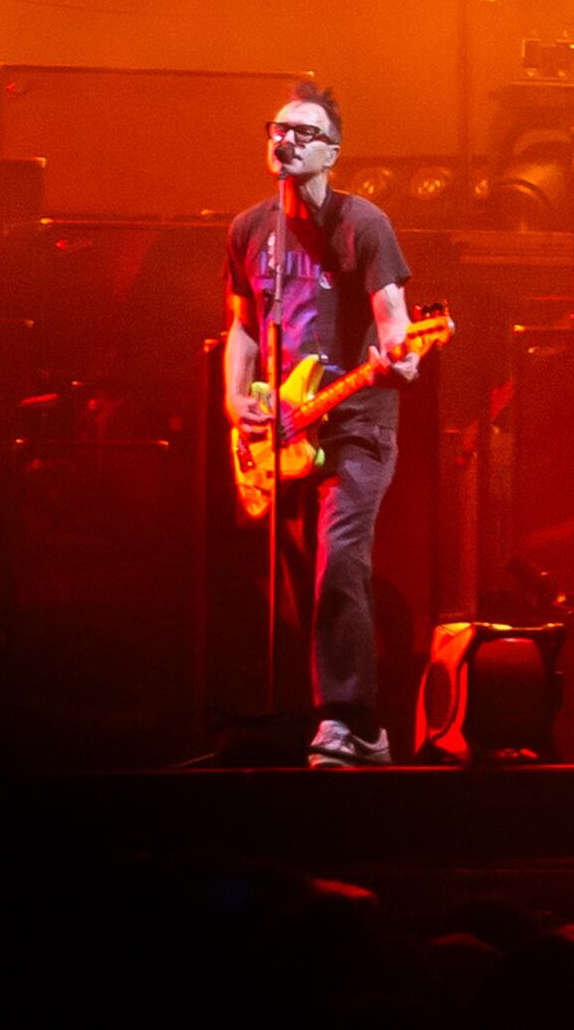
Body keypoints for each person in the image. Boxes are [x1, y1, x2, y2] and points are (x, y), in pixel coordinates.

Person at [223, 77, 424, 767]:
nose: (286, 140)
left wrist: (401, 357)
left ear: (332, 151)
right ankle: (349, 728)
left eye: (303, 133)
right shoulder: (249, 229)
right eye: (278, 130)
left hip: (359, 425)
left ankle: (347, 718)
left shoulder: (363, 223)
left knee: (340, 562)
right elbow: (242, 328)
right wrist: (234, 398)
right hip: (284, 430)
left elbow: (394, 318)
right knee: (300, 581)